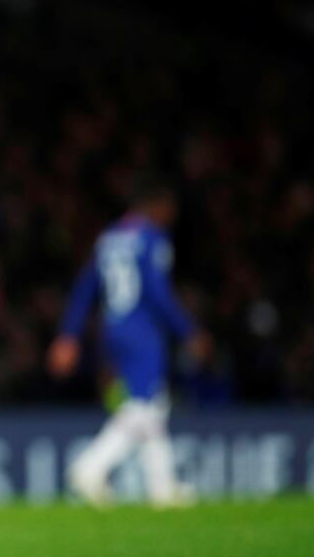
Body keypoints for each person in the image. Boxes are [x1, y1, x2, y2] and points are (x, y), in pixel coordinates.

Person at [47, 176, 208, 508]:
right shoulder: (152, 238)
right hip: (142, 328)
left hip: (112, 327)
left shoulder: (108, 239)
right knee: (144, 406)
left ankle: (163, 489)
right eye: (168, 209)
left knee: (152, 403)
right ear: (156, 207)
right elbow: (157, 292)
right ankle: (89, 467)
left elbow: (84, 289)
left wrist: (68, 335)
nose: (170, 215)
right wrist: (189, 330)